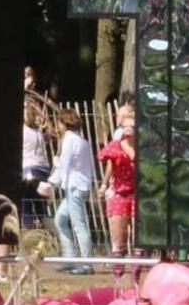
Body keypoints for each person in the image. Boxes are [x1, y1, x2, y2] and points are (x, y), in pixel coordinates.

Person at [47, 110, 96, 274]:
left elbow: (65, 166)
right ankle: (70, 259)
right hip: (78, 186)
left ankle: (86, 264)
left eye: (59, 122)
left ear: (64, 123)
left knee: (79, 225)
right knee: (60, 219)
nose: (57, 125)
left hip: (74, 187)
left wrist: (50, 183)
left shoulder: (69, 140)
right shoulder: (82, 141)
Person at [98, 101, 136, 269]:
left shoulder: (143, 144)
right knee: (119, 238)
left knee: (138, 239)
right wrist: (105, 183)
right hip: (120, 192)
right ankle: (118, 279)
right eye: (121, 117)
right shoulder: (115, 142)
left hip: (137, 193)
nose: (119, 118)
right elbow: (110, 164)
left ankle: (136, 280)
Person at [20, 102, 52, 227]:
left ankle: (28, 230)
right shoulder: (38, 132)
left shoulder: (22, 130)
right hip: (43, 170)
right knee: (40, 203)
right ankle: (46, 230)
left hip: (28, 169)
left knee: (25, 202)